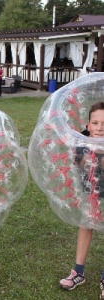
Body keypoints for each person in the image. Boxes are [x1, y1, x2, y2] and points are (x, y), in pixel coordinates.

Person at [59, 102, 104, 298]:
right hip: (90, 191)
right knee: (86, 226)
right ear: (88, 125)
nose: (100, 127)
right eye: (95, 123)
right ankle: (78, 271)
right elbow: (80, 164)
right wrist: (93, 153)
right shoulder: (81, 141)